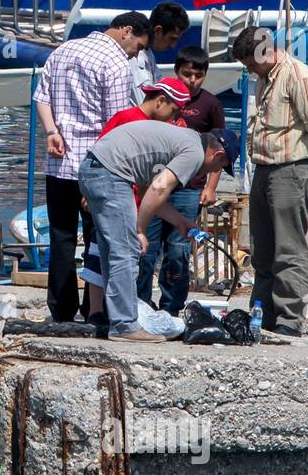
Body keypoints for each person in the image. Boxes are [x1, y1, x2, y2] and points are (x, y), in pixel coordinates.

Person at [33, 11, 150, 323]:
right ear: (127, 31)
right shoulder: (115, 63)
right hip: (95, 164)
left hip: (58, 162)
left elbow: (41, 98)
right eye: (137, 46)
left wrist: (51, 133)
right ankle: (94, 308)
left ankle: (61, 308)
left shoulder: (63, 50)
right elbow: (114, 124)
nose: (135, 53)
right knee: (99, 239)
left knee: (61, 236)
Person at [79, 122, 239, 342]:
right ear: (218, 154)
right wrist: (140, 230)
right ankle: (124, 326)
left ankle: (115, 318)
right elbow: (159, 188)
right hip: (111, 173)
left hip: (94, 168)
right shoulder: (193, 153)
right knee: (126, 252)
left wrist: (180, 221)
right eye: (219, 166)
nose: (213, 172)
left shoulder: (184, 140)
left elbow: (149, 191)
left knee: (112, 252)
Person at [232, 26, 308, 337]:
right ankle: (263, 313)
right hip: (264, 169)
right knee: (263, 251)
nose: (249, 70)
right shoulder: (264, 78)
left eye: (250, 63)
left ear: (263, 53)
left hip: (290, 170)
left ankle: (289, 318)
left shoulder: (298, 76)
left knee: (288, 249)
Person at [138, 47, 227, 314]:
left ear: (205, 75)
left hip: (189, 188)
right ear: (176, 71)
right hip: (156, 182)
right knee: (146, 247)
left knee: (177, 250)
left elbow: (221, 149)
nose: (192, 80)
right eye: (186, 74)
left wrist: (211, 187)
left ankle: (172, 307)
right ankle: (140, 303)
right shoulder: (162, 99)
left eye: (198, 75)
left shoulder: (211, 104)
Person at [129, 1, 189, 105]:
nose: (173, 45)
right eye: (172, 38)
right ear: (158, 30)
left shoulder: (149, 55)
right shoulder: (132, 57)